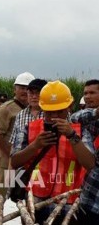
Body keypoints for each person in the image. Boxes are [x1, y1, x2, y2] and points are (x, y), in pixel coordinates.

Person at [11, 81, 85, 225]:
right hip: (34, 200)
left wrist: (72, 136)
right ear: (42, 108)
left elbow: (89, 163)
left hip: (66, 203)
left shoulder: (79, 131)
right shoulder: (30, 128)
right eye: (49, 112)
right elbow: (15, 161)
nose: (54, 116)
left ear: (69, 107)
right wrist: (35, 146)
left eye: (60, 111)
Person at [0, 71, 34, 197]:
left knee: (25, 198)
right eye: (21, 88)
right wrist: (12, 155)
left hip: (28, 163)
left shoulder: (35, 109)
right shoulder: (7, 108)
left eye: (28, 89)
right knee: (0, 198)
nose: (24, 91)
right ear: (14, 89)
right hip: (6, 163)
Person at [68, 79, 99, 224]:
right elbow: (75, 118)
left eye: (92, 92)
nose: (87, 96)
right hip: (89, 197)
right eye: (85, 93)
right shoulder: (87, 119)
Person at [8, 79, 47, 170]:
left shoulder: (53, 113)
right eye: (31, 93)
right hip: (23, 168)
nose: (34, 96)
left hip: (46, 167)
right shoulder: (20, 115)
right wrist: (9, 171)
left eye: (38, 93)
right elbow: (13, 145)